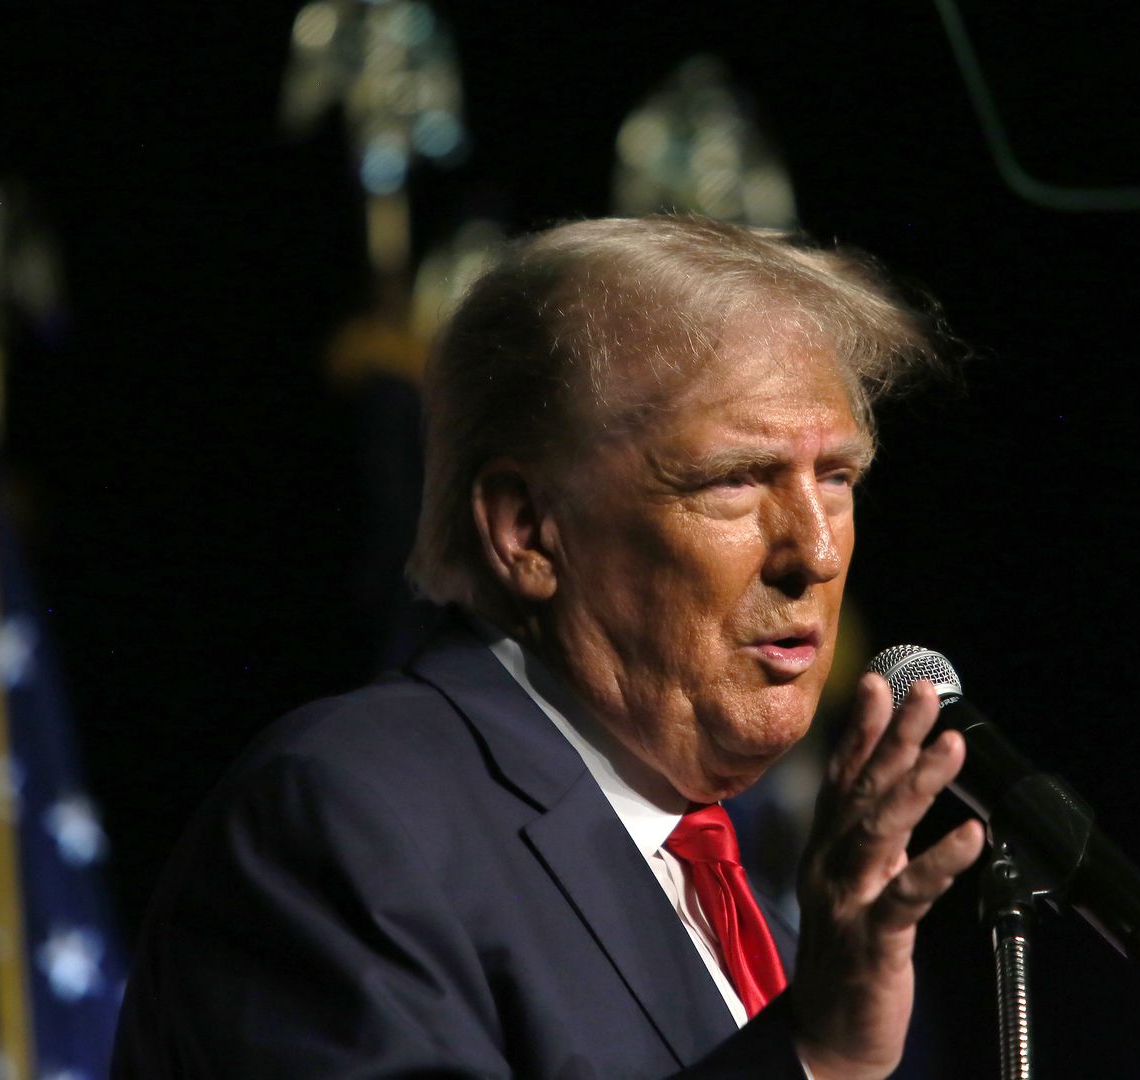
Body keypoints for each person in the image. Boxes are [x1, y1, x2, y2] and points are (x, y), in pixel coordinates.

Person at [111, 216, 987, 1078]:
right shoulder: (348, 819)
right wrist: (809, 1056)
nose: (818, 552)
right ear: (528, 531)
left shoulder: (759, 921)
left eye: (836, 479)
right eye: (735, 479)